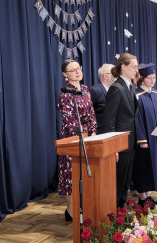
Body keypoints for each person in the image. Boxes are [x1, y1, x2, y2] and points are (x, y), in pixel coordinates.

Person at [58, 59, 97, 221]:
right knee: (71, 175)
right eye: (72, 70)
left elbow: (92, 113)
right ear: (65, 74)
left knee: (85, 174)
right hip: (72, 138)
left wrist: (93, 132)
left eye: (78, 68)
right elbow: (69, 120)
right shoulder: (65, 94)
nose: (77, 72)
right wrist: (84, 135)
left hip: (88, 136)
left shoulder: (86, 89)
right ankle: (71, 211)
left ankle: (84, 207)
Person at [102, 53, 139, 208]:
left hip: (130, 141)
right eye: (134, 67)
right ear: (123, 67)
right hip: (120, 144)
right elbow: (109, 120)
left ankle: (121, 210)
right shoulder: (117, 88)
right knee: (118, 181)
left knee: (125, 180)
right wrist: (113, 147)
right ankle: (114, 210)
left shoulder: (130, 87)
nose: (136, 70)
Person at [131, 63, 157, 206]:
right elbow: (138, 120)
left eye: (154, 78)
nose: (152, 81)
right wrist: (142, 139)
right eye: (149, 78)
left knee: (154, 167)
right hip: (145, 139)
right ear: (142, 78)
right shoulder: (137, 96)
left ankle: (148, 195)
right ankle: (142, 197)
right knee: (144, 167)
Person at [88, 63, 115, 134]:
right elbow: (89, 113)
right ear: (105, 76)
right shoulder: (94, 91)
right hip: (100, 133)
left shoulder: (115, 90)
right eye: (114, 73)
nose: (117, 76)